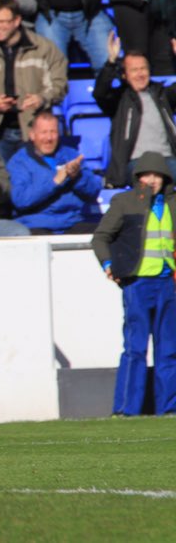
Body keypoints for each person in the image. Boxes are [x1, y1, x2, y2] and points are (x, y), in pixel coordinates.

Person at [92, 151, 176, 416]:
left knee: (169, 350)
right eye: (146, 175)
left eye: (157, 175)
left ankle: (169, 409)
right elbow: (101, 237)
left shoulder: (173, 204)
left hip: (168, 284)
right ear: (137, 177)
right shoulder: (124, 202)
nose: (151, 180)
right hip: (137, 284)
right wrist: (108, 264)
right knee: (135, 348)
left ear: (166, 178)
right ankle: (126, 410)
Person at [0, 0, 68, 162]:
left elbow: (59, 83)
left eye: (3, 21)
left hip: (32, 131)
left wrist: (42, 98)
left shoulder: (43, 48)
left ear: (17, 21)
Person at [94, 34, 176, 187]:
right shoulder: (119, 100)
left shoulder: (161, 95)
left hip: (166, 159)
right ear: (125, 75)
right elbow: (100, 93)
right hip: (136, 162)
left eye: (143, 68)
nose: (140, 74)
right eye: (134, 70)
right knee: (146, 183)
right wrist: (111, 63)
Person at [7, 110, 101, 233]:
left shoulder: (71, 155)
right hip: (36, 224)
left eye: (53, 132)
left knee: (108, 234)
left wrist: (77, 177)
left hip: (72, 222)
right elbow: (21, 200)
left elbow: (94, 191)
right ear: (32, 135)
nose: (49, 138)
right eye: (44, 132)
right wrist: (54, 182)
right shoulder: (19, 162)